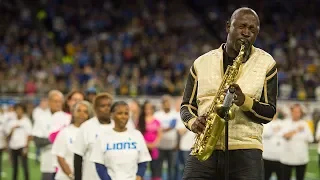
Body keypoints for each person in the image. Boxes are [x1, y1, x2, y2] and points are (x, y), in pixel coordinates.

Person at [180, 7, 278, 180]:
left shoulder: (267, 63)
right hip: (204, 147)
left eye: (252, 29)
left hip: (246, 150)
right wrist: (194, 122)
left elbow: (269, 111)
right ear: (228, 27)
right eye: (242, 26)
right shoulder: (201, 62)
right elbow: (186, 106)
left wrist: (244, 101)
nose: (246, 32)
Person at [90, 101, 151, 180]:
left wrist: (139, 176)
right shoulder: (103, 137)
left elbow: (143, 161)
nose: (123, 116)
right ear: (112, 115)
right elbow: (99, 165)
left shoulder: (137, 135)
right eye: (120, 113)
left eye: (126, 113)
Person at [72, 93, 113, 180]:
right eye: (103, 106)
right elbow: (78, 157)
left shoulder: (119, 126)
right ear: (96, 109)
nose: (107, 108)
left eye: (109, 105)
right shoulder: (86, 127)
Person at [52, 101, 94, 180]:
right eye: (79, 111)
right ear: (73, 113)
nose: (81, 114)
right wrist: (71, 176)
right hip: (65, 177)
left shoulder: (92, 133)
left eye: (85, 112)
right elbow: (60, 157)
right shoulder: (65, 132)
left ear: (89, 115)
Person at [32, 90, 64, 180]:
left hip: (65, 166)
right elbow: (37, 141)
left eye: (60, 101)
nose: (58, 104)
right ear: (49, 102)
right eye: (55, 101)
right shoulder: (41, 118)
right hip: (48, 164)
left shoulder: (67, 118)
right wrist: (56, 139)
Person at [280, 104, 313, 180]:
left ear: (301, 113)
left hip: (301, 159)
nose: (296, 114)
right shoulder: (286, 123)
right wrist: (297, 130)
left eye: (298, 112)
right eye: (294, 111)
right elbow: (285, 136)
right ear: (291, 112)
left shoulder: (305, 124)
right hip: (287, 159)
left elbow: (310, 138)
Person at [154, 95, 178, 180]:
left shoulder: (174, 113)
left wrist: (161, 129)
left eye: (168, 102)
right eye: (164, 102)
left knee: (171, 168)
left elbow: (172, 126)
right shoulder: (157, 115)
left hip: (171, 146)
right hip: (160, 145)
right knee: (158, 166)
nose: (166, 104)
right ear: (162, 104)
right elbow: (155, 128)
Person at [6, 103, 32, 180]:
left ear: (23, 110)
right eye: (17, 109)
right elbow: (8, 136)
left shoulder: (26, 121)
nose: (18, 111)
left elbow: (29, 135)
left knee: (25, 167)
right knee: (15, 168)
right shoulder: (11, 122)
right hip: (13, 147)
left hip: (22, 147)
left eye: (20, 109)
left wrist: (26, 147)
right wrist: (11, 131)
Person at [137, 101, 162, 180]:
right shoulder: (140, 120)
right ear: (143, 109)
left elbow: (159, 134)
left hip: (154, 148)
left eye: (150, 108)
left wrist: (154, 144)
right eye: (146, 109)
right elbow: (137, 134)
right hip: (143, 148)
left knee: (155, 169)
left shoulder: (157, 121)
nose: (148, 110)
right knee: (142, 169)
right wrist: (146, 144)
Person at [262, 111, 283, 180]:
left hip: (279, 157)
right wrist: (274, 130)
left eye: (275, 112)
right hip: (267, 156)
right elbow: (264, 134)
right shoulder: (265, 123)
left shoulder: (281, 123)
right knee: (266, 176)